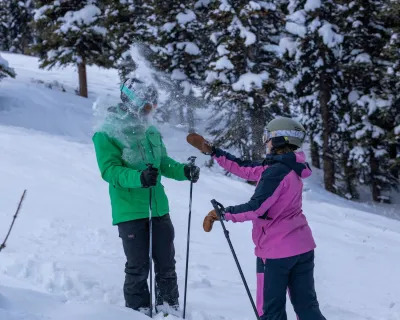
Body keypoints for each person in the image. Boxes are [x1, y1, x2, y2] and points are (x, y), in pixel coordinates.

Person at [187, 117, 326, 320]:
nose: (265, 142)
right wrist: (215, 152)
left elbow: (257, 208)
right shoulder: (290, 167)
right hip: (302, 248)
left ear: (279, 140)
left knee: (270, 312)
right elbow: (245, 168)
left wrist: (224, 213)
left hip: (276, 252)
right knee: (307, 308)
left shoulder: (275, 172)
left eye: (267, 138)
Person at [92, 78, 200, 317]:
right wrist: (139, 177)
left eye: (153, 106)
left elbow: (163, 163)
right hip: (130, 210)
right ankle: (138, 312)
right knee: (138, 268)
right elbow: (109, 171)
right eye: (147, 106)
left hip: (158, 208)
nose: (150, 111)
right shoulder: (107, 131)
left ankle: (168, 309)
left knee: (166, 265)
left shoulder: (149, 129)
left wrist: (183, 171)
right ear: (133, 102)